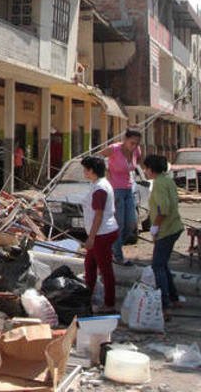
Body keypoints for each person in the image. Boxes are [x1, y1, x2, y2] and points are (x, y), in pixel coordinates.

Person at [143, 154, 183, 315]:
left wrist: (155, 227)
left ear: (151, 169)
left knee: (157, 266)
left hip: (166, 229)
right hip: (174, 226)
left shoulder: (159, 184)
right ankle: (174, 298)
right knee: (163, 264)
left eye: (145, 168)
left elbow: (163, 209)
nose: (144, 171)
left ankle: (165, 303)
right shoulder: (168, 180)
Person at [80, 155, 120, 313]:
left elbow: (99, 214)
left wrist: (91, 238)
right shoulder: (97, 184)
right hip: (100, 232)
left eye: (85, 169)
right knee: (89, 266)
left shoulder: (100, 188)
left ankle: (109, 303)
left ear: (91, 170)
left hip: (102, 233)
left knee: (105, 269)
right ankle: (87, 298)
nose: (84, 172)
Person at [99, 128, 142, 266]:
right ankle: (117, 255)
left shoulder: (136, 151)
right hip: (115, 190)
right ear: (125, 139)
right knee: (120, 224)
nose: (134, 146)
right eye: (131, 143)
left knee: (131, 223)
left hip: (129, 189)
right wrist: (106, 172)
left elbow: (135, 165)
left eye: (136, 143)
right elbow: (98, 157)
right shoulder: (114, 149)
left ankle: (113, 247)